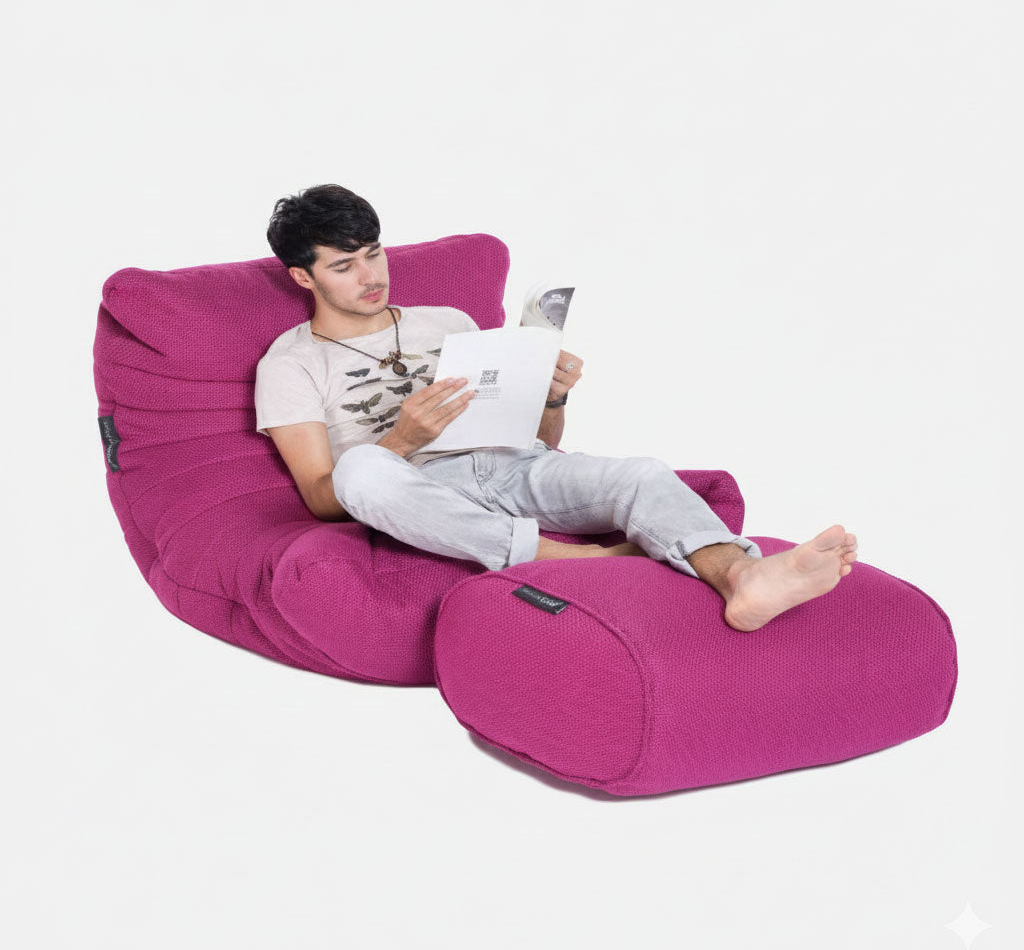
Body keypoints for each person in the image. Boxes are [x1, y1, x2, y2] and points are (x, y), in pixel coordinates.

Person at [255, 184, 858, 631]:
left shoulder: (448, 322)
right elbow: (324, 497)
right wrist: (401, 440)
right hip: (420, 486)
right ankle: (579, 560)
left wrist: (551, 396)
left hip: (512, 463)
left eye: (374, 253)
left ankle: (744, 577)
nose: (370, 276)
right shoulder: (291, 363)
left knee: (642, 473)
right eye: (344, 265)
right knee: (362, 468)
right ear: (304, 278)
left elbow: (541, 437)